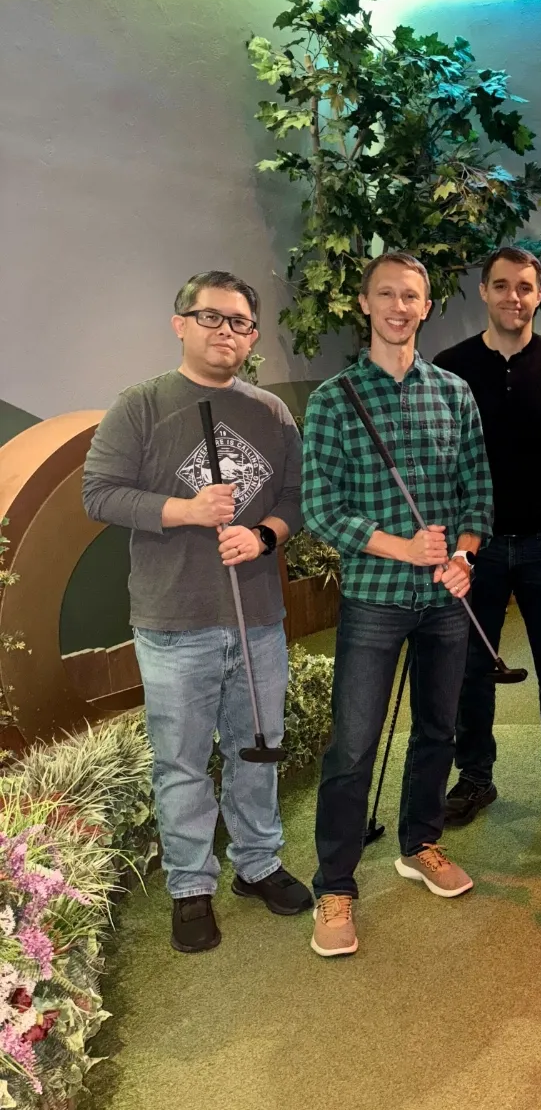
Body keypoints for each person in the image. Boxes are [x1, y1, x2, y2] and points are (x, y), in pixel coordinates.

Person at [83, 272, 312, 955]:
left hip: (257, 617)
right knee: (181, 760)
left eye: (241, 323)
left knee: (256, 747)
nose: (227, 332)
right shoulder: (141, 405)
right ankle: (190, 885)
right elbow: (98, 494)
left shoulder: (270, 413)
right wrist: (183, 510)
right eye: (211, 318)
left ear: (252, 336)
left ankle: (259, 862)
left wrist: (264, 533)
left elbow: (297, 498)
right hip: (172, 620)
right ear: (180, 323)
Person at [302, 251, 493, 958]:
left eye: (411, 295)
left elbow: (478, 490)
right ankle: (336, 884)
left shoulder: (454, 393)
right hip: (376, 598)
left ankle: (420, 844)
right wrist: (399, 546)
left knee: (437, 730)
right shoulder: (332, 400)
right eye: (386, 293)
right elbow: (322, 508)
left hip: (446, 600)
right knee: (352, 746)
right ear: (365, 304)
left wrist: (464, 556)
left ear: (425, 306)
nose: (399, 306)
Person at [435, 248, 541, 829]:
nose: (513, 298)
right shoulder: (451, 366)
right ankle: (474, 776)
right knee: (473, 666)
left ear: (539, 293)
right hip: (478, 546)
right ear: (483, 291)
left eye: (524, 287)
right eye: (501, 286)